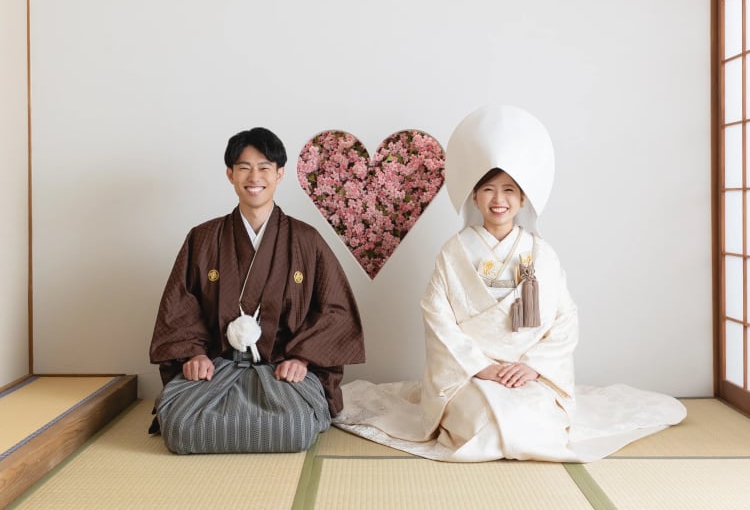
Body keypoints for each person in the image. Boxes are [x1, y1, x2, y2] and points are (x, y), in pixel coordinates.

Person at [334, 106, 686, 462]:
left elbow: (565, 318)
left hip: (528, 373)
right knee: (482, 424)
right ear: (475, 197)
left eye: (509, 190)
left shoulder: (542, 254)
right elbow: (436, 315)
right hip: (471, 375)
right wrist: (480, 366)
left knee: (537, 422)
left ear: (522, 199)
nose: (498, 200)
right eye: (488, 189)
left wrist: (533, 365)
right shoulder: (454, 252)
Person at [149, 127, 365, 454]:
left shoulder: (306, 240)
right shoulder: (203, 238)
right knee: (179, 425)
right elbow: (180, 305)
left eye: (264, 167)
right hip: (216, 366)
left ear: (279, 174)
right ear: (230, 175)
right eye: (244, 168)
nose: (254, 177)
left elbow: (336, 310)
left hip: (282, 367)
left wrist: (303, 358)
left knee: (296, 426)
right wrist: (194, 354)